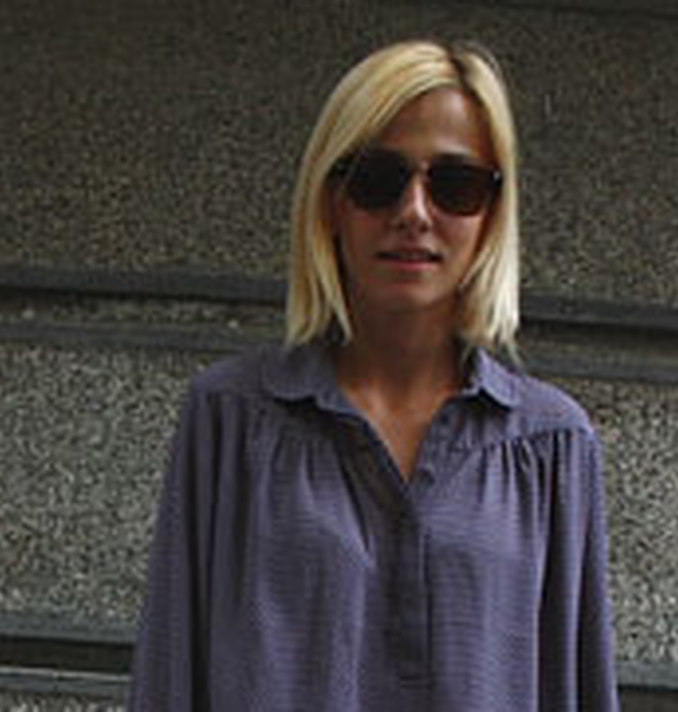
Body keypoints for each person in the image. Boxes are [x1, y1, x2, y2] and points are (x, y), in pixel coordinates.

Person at [129, 39, 620, 711]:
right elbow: (168, 685)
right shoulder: (229, 422)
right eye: (376, 178)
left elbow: (578, 690)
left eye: (455, 185)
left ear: (492, 214)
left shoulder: (551, 447)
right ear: (330, 201)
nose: (414, 212)